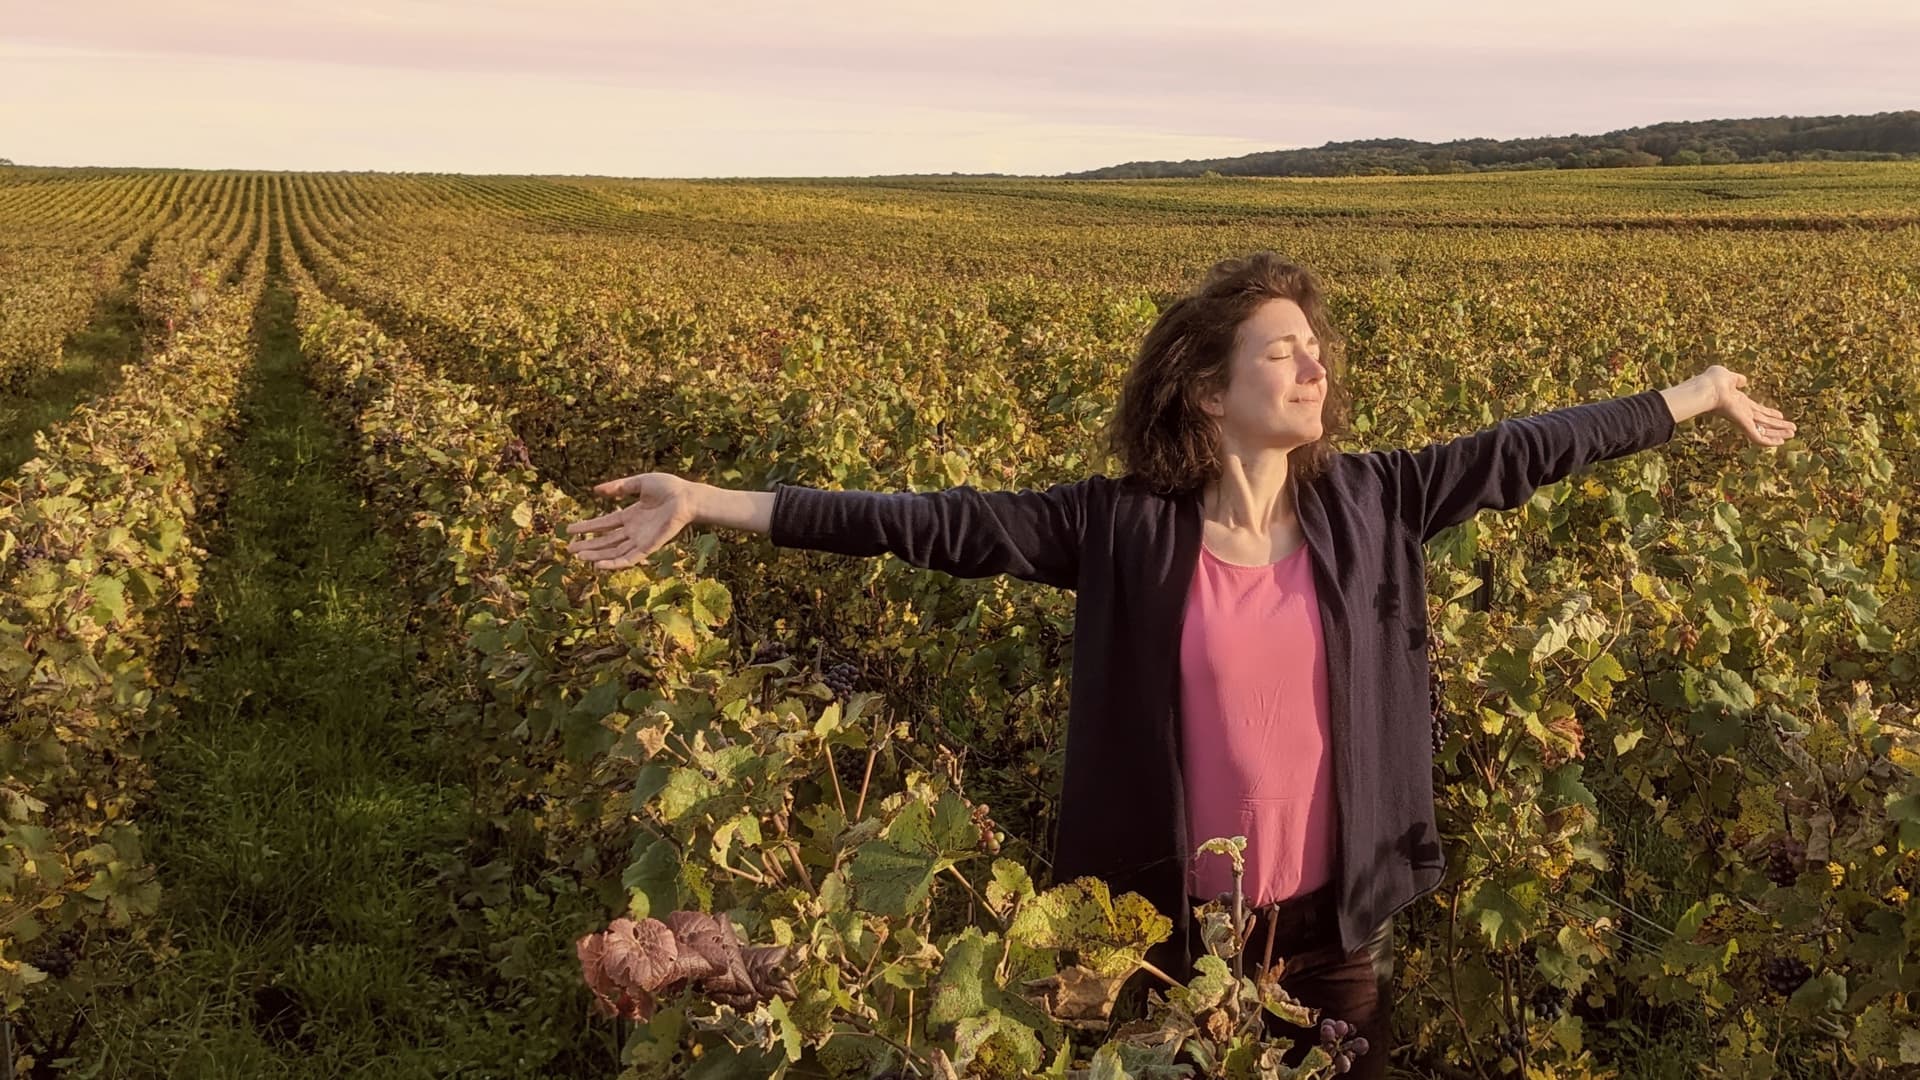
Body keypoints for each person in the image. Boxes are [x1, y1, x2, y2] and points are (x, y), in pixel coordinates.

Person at [564, 251, 1796, 1076]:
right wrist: (709, 500)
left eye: (1317, 348)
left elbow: (1536, 447)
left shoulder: (1377, 501)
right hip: (1154, 933)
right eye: (1282, 349)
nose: (1315, 365)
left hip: (1330, 936)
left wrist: (1690, 396)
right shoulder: (1119, 530)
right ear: (1208, 391)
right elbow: (923, 521)